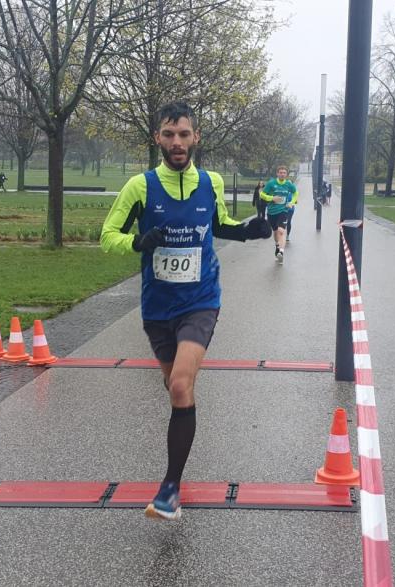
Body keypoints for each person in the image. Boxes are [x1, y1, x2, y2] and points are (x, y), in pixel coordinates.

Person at [100, 102, 271, 521]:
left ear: (196, 137)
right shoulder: (140, 187)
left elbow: (219, 224)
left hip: (200, 300)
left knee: (179, 385)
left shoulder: (210, 182)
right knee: (176, 386)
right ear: (157, 138)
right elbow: (107, 236)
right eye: (168, 134)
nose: (177, 142)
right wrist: (137, 242)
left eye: (183, 134)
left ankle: (170, 490)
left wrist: (249, 231)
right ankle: (184, 411)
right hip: (158, 308)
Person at [260, 165, 298, 263]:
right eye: (280, 172)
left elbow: (296, 193)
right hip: (272, 212)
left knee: (281, 231)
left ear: (286, 174)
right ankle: (277, 246)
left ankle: (281, 251)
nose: (282, 174)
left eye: (284, 173)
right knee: (276, 231)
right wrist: (272, 198)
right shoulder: (271, 183)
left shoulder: (289, 184)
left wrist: (291, 202)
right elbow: (262, 194)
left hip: (283, 211)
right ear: (277, 173)